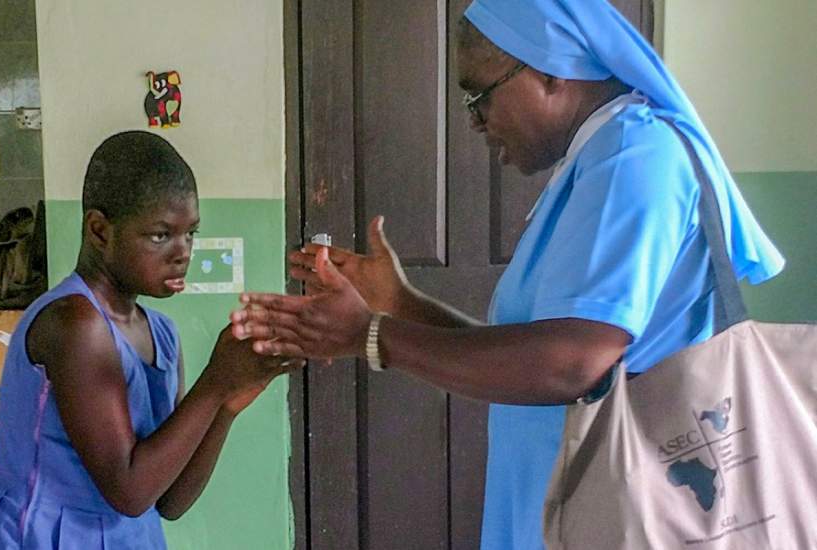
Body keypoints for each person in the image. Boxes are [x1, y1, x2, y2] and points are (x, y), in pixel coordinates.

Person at [230, 1, 785, 548]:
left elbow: (570, 363)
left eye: (479, 94)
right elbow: (533, 353)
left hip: (626, 520)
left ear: (548, 70)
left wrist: (370, 336)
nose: (473, 119)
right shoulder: (593, 162)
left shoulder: (635, 156)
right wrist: (399, 303)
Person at [0, 131, 300, 549]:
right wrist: (214, 383)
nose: (182, 252)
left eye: (190, 233)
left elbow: (168, 499)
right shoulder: (73, 324)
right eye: (160, 235)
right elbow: (130, 491)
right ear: (100, 230)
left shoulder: (161, 333)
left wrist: (228, 402)